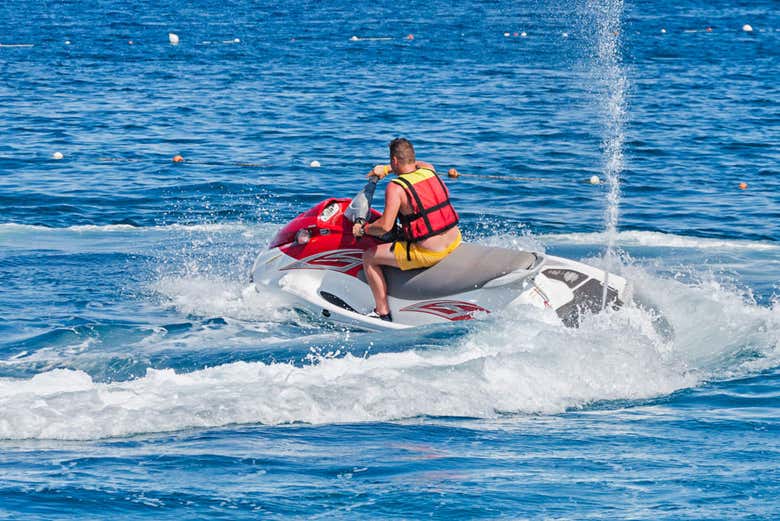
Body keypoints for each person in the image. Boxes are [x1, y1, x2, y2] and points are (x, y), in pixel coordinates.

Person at [352, 138, 461, 321]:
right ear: (412, 157)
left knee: (369, 256)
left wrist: (363, 229)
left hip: (430, 252)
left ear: (394, 160)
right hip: (454, 239)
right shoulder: (429, 170)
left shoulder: (396, 187)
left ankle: (382, 312)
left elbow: (385, 226)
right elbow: (419, 163)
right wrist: (387, 168)